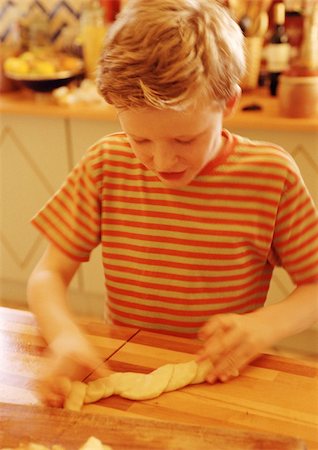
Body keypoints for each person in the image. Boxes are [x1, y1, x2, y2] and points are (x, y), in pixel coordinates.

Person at [27, 0, 318, 407]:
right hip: (129, 363)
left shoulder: (271, 176)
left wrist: (265, 327)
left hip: (225, 376)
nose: (162, 163)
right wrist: (63, 336)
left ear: (228, 104)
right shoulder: (106, 163)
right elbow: (47, 276)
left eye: (185, 139)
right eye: (141, 139)